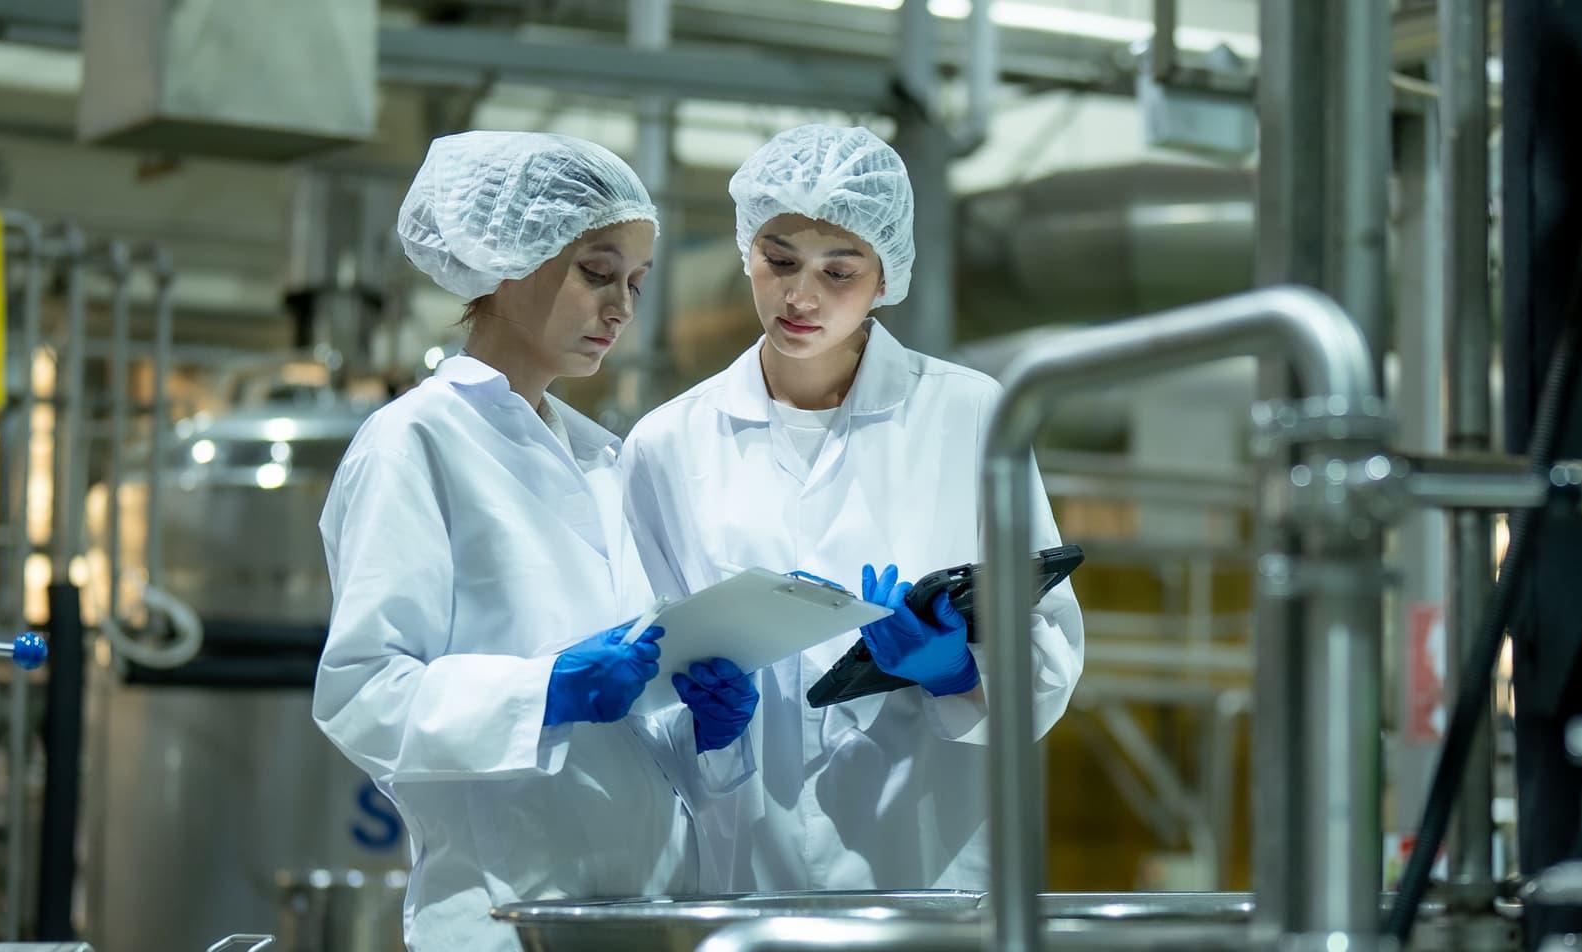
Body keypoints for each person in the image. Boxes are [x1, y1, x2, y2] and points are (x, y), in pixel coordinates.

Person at [313, 131, 758, 951]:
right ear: (505, 254)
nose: (621, 306)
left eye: (635, 282)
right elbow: (363, 694)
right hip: (500, 916)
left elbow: (630, 723)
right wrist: (541, 691)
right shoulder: (415, 443)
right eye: (597, 271)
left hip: (644, 914)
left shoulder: (603, 459)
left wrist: (705, 731)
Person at [622, 124, 1084, 891]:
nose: (800, 297)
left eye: (839, 272)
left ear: (884, 279)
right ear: (746, 253)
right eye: (778, 261)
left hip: (928, 862)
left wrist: (954, 672)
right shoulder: (666, 445)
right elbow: (642, 674)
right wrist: (702, 724)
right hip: (745, 863)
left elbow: (1050, 648)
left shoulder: (969, 416)